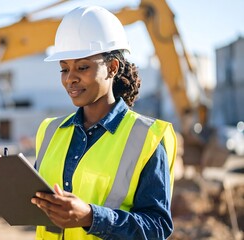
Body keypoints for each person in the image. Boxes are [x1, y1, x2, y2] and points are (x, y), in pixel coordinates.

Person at [30, 6, 177, 240]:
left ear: (112, 68)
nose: (70, 78)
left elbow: (156, 227)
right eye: (64, 69)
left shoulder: (147, 137)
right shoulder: (50, 131)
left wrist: (91, 217)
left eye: (83, 67)